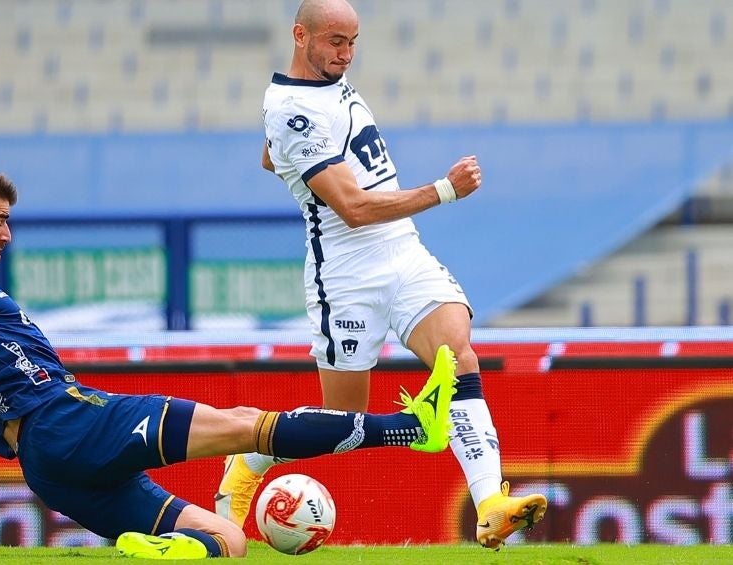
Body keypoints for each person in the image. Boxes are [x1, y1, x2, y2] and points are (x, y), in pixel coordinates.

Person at [0, 160, 460, 560]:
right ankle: (413, 430)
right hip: (65, 422)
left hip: (47, 465)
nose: (7, 234)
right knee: (247, 423)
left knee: (228, 539)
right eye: (0, 220)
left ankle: (162, 549)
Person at [214, 0, 547, 550]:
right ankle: (250, 458)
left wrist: (294, 161)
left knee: (457, 353)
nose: (346, 54)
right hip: (345, 273)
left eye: (352, 42)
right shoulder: (291, 106)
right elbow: (355, 208)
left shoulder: (319, 89)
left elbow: (271, 159)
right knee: (343, 420)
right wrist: (444, 190)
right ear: (301, 36)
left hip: (403, 253)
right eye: (335, 42)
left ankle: (491, 505)